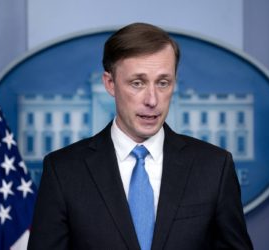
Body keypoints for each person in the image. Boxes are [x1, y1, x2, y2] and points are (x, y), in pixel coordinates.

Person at [28, 22, 253, 250]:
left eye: (163, 83)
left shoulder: (214, 167)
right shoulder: (63, 171)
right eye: (138, 83)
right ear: (110, 84)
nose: (152, 100)